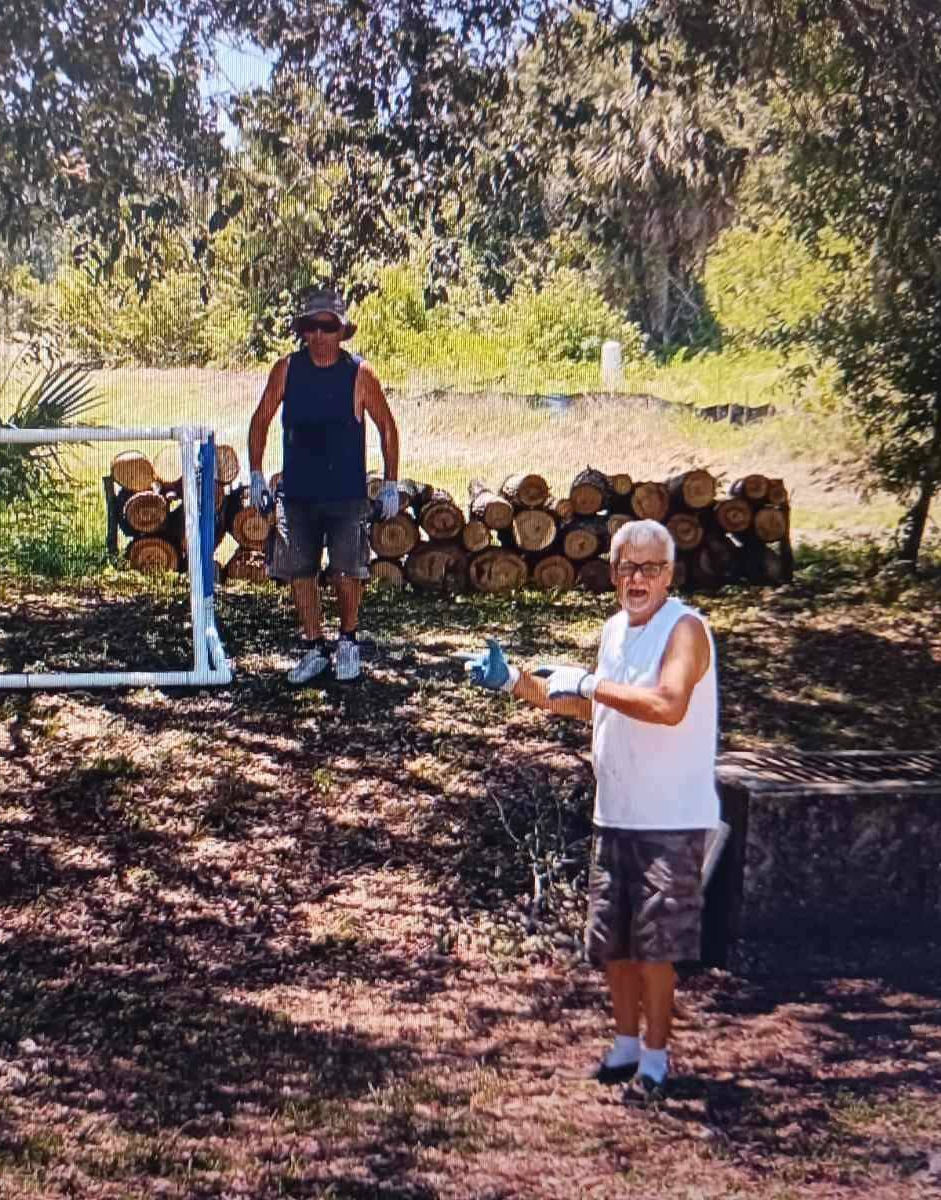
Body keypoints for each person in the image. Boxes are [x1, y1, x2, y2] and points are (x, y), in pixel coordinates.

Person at [463, 519, 719, 1101]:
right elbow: (593, 707)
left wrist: (590, 684)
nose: (638, 579)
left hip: (670, 819)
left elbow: (668, 704)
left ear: (669, 574)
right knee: (615, 944)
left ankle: (656, 1062)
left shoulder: (686, 629)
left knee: (656, 949)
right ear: (613, 573)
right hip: (615, 812)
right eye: (627, 567)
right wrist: (516, 683)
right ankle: (625, 1047)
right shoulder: (614, 631)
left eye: (650, 568)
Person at [248, 286, 401, 683]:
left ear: (340, 331)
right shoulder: (286, 369)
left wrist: (391, 484)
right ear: (302, 331)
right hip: (298, 494)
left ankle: (348, 640)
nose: (318, 335)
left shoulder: (359, 373)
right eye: (311, 327)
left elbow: (387, 428)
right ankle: (314, 647)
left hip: (346, 495)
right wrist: (255, 473)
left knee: (347, 571)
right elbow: (261, 419)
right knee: (301, 572)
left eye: (327, 327)